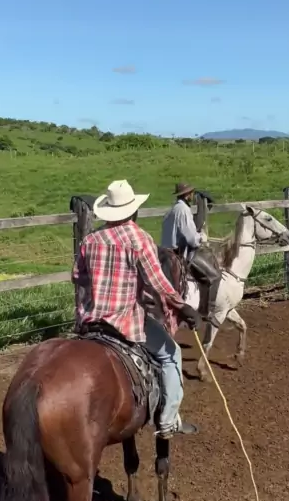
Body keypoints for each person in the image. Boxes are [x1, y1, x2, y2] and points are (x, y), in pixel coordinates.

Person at [72, 179, 201, 440]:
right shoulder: (139, 239)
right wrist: (183, 306)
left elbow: (78, 276)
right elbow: (158, 283)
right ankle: (168, 422)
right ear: (133, 210)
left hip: (91, 320)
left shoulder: (91, 240)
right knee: (171, 355)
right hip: (125, 321)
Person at [160, 183, 222, 320]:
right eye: (191, 193)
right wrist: (201, 238)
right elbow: (192, 239)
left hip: (166, 253)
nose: (193, 195)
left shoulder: (172, 210)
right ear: (188, 194)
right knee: (214, 277)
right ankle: (206, 313)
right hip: (179, 255)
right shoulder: (184, 210)